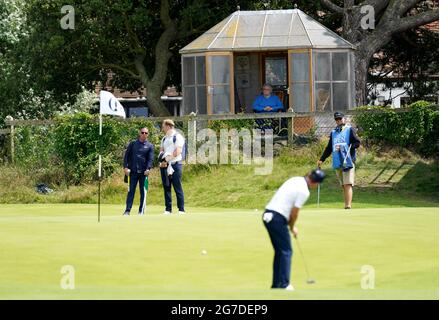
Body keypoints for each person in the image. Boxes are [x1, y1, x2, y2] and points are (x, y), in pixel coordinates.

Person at [263, 170, 325, 290]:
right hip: (277, 218)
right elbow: (294, 213)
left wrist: (290, 226)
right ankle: (285, 284)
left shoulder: (295, 179)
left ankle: (276, 284)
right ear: (315, 183)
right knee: (286, 251)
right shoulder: (304, 191)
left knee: (280, 252)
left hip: (267, 215)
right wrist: (292, 227)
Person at [317, 112, 361, 210]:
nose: (339, 121)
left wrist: (347, 147)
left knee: (348, 183)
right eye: (337, 119)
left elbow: (357, 142)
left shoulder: (349, 129)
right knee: (343, 185)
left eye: (340, 119)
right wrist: (321, 159)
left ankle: (348, 206)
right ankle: (346, 204)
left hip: (348, 161)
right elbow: (329, 148)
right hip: (338, 161)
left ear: (344, 119)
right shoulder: (333, 132)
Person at [123, 127, 154, 216]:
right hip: (132, 172)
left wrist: (148, 169)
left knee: (143, 192)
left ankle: (141, 211)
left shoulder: (150, 146)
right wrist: (125, 167)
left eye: (146, 133)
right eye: (142, 132)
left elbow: (150, 159)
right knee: (131, 191)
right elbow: (126, 156)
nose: (144, 134)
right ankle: (127, 210)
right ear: (139, 133)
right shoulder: (133, 144)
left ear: (148, 134)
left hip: (144, 173)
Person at [159, 119, 186, 215]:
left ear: (168, 126)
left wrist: (167, 159)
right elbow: (161, 150)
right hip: (165, 166)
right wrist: (162, 160)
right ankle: (168, 209)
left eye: (163, 126)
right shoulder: (164, 138)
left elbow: (178, 151)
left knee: (177, 187)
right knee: (167, 187)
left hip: (176, 165)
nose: (162, 128)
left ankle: (181, 209)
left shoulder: (177, 137)